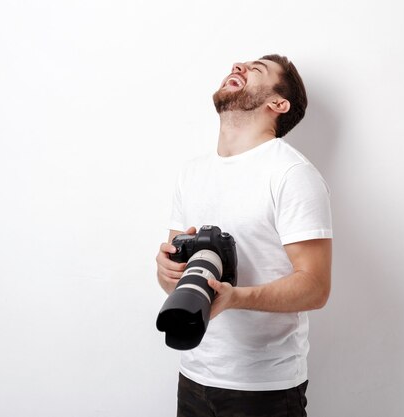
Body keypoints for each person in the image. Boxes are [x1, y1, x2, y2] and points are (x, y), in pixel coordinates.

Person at [155, 54, 332, 417]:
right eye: (240, 65)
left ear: (277, 104)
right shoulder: (192, 173)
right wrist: (166, 271)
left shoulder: (291, 173)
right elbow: (174, 276)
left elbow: (316, 287)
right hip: (193, 372)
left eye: (256, 70)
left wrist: (236, 298)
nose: (238, 67)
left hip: (262, 387)